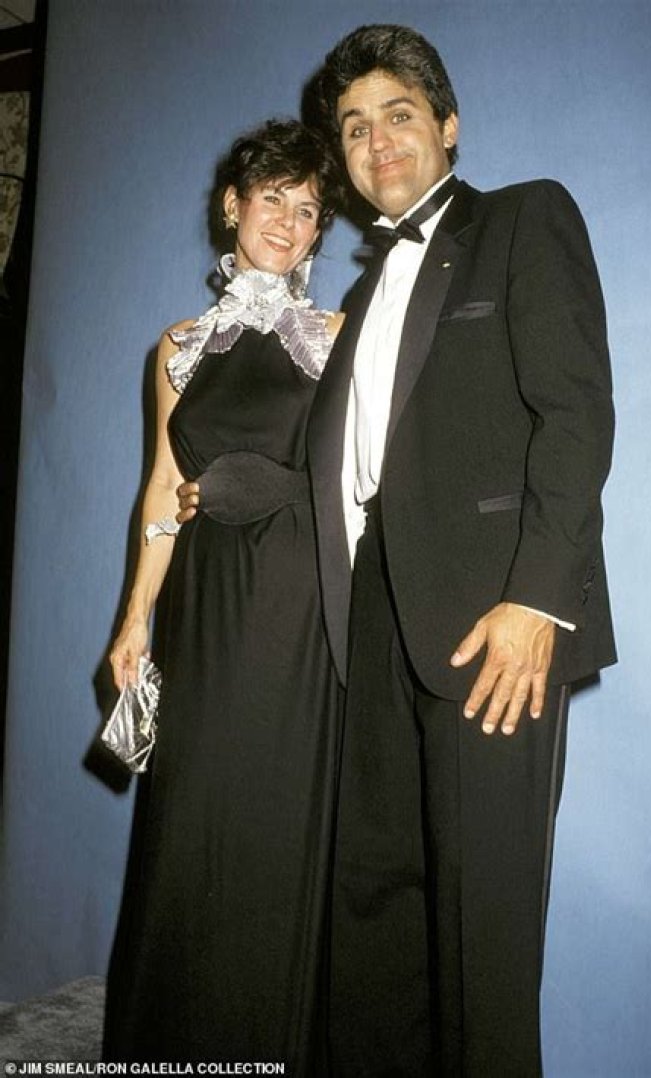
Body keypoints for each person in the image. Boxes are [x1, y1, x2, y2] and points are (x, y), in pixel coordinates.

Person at [303, 25, 617, 1077]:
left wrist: (539, 599)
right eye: (355, 127)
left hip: (496, 627)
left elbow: (575, 415)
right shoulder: (356, 300)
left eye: (398, 115)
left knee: (484, 939)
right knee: (372, 915)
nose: (377, 141)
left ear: (448, 125)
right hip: (373, 627)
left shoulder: (525, 217)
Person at [102, 119, 344, 1070]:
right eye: (271, 198)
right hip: (202, 610)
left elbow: (364, 483)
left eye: (308, 209)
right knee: (190, 821)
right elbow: (164, 488)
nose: (287, 221)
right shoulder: (177, 346)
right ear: (232, 206)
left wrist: (281, 487)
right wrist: (135, 617)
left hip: (298, 607)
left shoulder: (337, 338)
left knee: (275, 824)